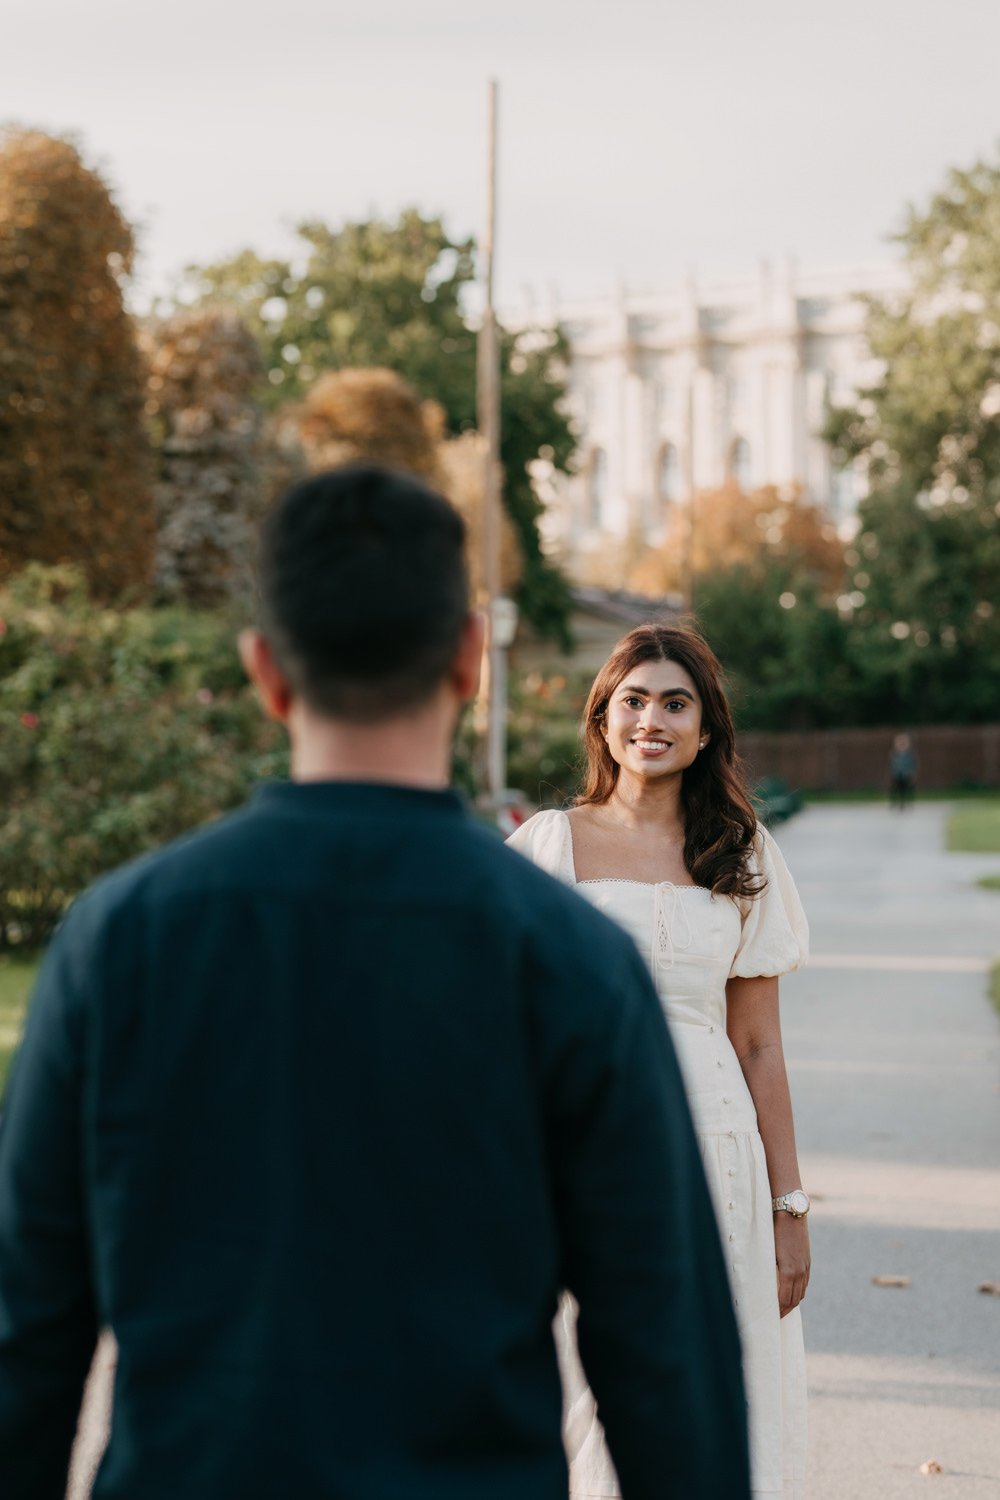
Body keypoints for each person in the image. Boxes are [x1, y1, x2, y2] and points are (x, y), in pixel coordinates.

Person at [0, 466, 750, 1500]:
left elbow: (26, 1335)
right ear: (469, 660)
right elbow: (668, 1365)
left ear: (266, 671)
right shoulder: (573, 963)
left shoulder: (116, 945)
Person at [508, 623, 810, 1500]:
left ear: (706, 729)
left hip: (718, 1154)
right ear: (602, 719)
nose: (653, 718)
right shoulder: (545, 850)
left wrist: (789, 1206)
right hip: (582, 1152)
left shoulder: (742, 851)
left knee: (718, 1386)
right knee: (585, 1394)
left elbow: (758, 1043)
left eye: (676, 703)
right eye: (633, 700)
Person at [889, 732, 917, 810]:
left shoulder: (909, 753)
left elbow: (912, 764)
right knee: (895, 789)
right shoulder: (895, 753)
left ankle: (904, 803)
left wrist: (911, 773)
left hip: (906, 774)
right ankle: (895, 803)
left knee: (905, 789)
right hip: (897, 774)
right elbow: (893, 764)